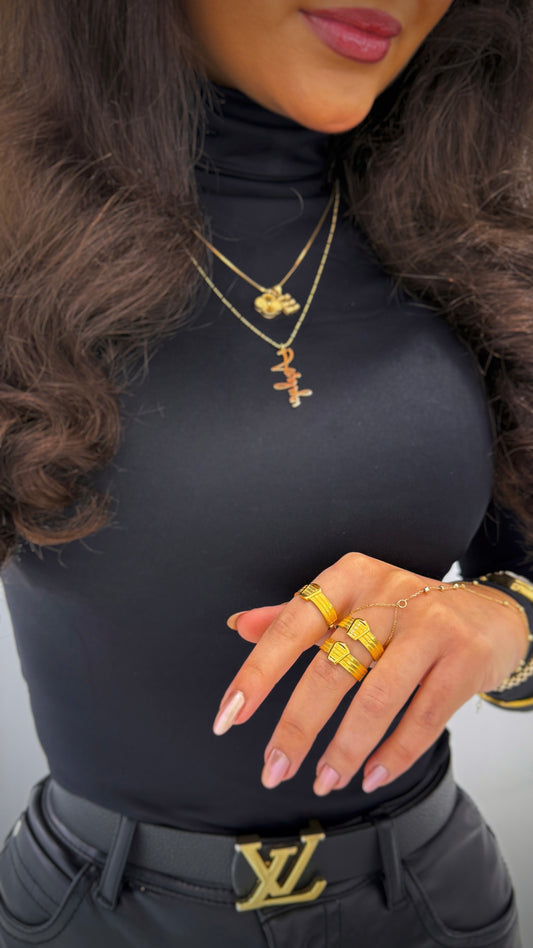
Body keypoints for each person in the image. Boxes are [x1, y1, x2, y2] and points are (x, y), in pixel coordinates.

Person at [0, 1, 532, 945]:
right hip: (96, 913)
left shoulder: (486, 225)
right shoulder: (18, 237)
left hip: (432, 902)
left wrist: (504, 621)